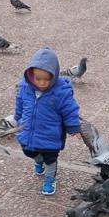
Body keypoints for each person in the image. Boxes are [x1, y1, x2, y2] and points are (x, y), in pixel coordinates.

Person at [14, 46, 81, 195]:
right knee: (27, 151)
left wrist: (74, 128)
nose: (42, 83)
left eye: (46, 79)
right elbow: (20, 103)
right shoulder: (25, 87)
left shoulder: (61, 92)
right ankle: (38, 160)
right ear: (31, 75)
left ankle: (50, 179)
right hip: (28, 130)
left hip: (51, 134)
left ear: (54, 76)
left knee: (50, 158)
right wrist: (17, 118)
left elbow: (70, 110)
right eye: (38, 79)